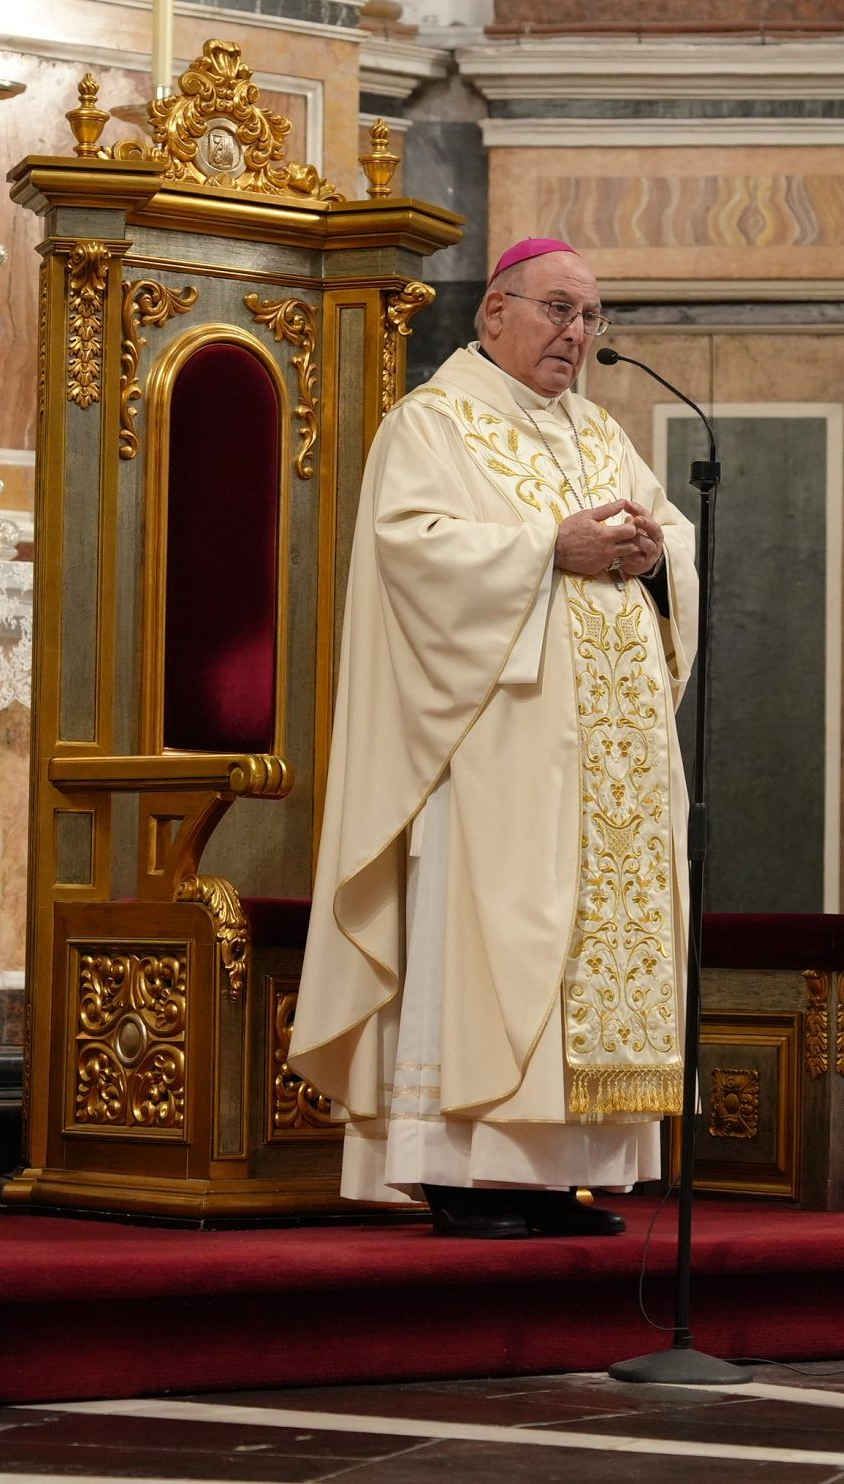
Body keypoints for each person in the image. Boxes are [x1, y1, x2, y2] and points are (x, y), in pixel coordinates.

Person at [291, 237, 699, 1239]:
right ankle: (462, 1169)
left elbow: (671, 539)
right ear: (494, 313)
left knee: (584, 959)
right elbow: (411, 553)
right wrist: (545, 548)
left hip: (605, 766)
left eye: (590, 316)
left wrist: (657, 559)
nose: (577, 332)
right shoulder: (431, 424)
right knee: (492, 945)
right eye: (558, 309)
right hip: (488, 754)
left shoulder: (601, 434)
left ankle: (562, 1174)